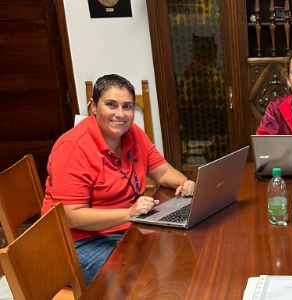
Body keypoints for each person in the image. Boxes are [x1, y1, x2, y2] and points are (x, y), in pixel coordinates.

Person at [41, 74, 196, 284]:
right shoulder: (73, 147)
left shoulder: (133, 133)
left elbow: (162, 172)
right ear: (93, 106)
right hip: (78, 242)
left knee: (180, 251)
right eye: (111, 105)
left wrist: (184, 183)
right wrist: (128, 213)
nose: (120, 114)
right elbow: (70, 215)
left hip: (124, 228)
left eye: (127, 106)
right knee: (136, 279)